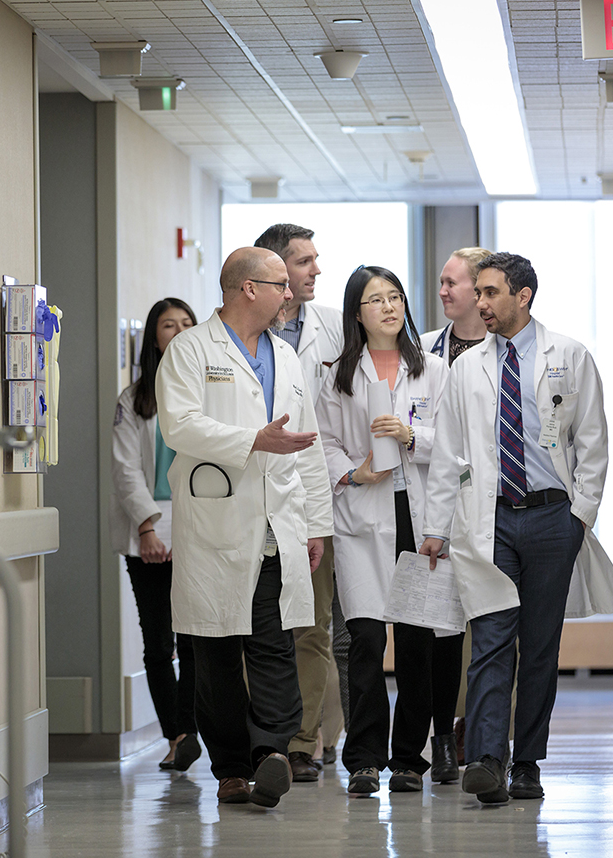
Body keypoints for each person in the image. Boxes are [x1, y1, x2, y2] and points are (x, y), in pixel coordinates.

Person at [419, 252, 613, 804]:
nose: (480, 304)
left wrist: (579, 516)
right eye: (478, 294)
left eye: (490, 293)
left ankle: (528, 762)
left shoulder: (570, 355)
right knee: (489, 641)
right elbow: (448, 453)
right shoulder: (468, 368)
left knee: (539, 646)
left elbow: (593, 442)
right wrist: (437, 527)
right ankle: (488, 758)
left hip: (552, 519)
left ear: (523, 296)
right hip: (489, 521)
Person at [156, 246, 334, 808]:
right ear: (248, 289)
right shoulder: (188, 351)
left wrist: (315, 524)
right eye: (281, 283)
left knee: (275, 643)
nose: (292, 293)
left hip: (277, 524)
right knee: (213, 657)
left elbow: (306, 447)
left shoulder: (287, 356)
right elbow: (179, 426)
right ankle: (232, 768)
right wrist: (252, 439)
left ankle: (271, 754)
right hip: (215, 525)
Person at [314, 265, 448, 795]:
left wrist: (412, 436)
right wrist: (353, 472)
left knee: (416, 640)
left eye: (395, 297)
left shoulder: (433, 370)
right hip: (362, 516)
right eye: (376, 300)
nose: (389, 307)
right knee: (365, 640)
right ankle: (364, 758)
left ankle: (410, 759)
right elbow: (321, 442)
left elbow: (457, 447)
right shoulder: (338, 374)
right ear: (357, 313)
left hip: (417, 517)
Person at [253, 223, 344, 781]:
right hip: (253, 498)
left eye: (315, 259)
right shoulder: (244, 336)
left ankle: (303, 741)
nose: (315, 270)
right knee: (258, 628)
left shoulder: (333, 329)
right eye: (305, 261)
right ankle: (264, 741)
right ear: (277, 272)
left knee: (312, 627)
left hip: (315, 496)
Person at [110, 297, 201, 772]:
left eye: (188, 323)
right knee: (158, 642)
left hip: (196, 528)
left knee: (193, 640)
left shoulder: (204, 390)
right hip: (148, 533)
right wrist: (146, 526)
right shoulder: (135, 399)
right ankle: (177, 735)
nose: (180, 330)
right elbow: (126, 471)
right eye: (170, 325)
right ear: (154, 337)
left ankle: (190, 727)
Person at [418, 246, 492, 783]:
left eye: (453, 283)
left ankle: (485, 735)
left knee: (492, 631)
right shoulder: (423, 353)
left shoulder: (505, 351)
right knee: (443, 631)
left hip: (492, 510)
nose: (443, 291)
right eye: (441, 283)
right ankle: (442, 738)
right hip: (440, 507)